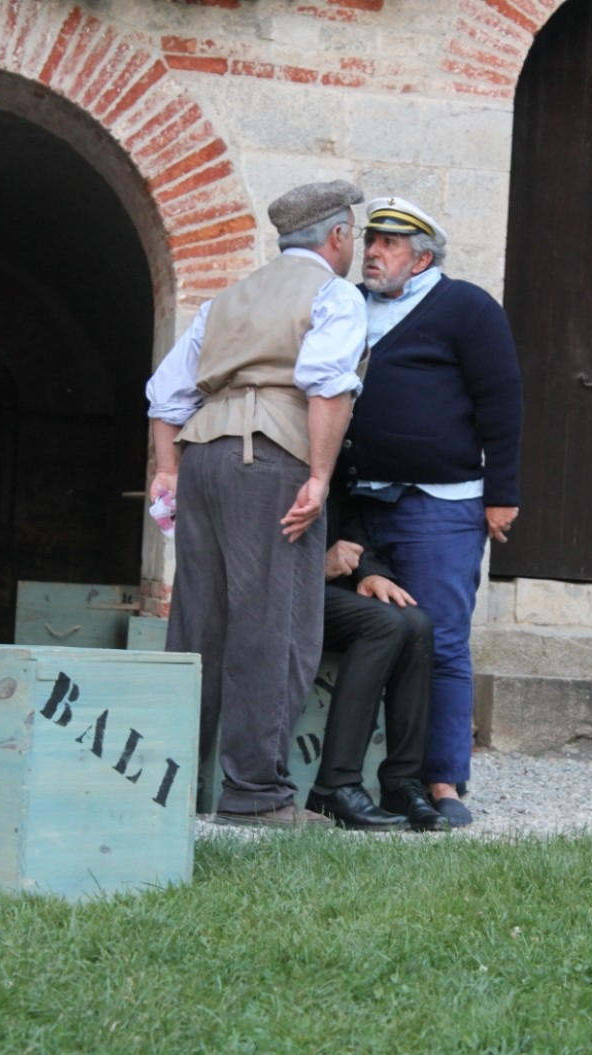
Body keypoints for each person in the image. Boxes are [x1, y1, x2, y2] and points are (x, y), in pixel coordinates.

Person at [146, 179, 368, 826]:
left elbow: (165, 392)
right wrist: (319, 478)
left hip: (203, 460)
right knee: (276, 625)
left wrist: (168, 469)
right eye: (353, 233)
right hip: (271, 462)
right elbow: (327, 385)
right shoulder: (334, 295)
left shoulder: (227, 299)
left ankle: (169, 787)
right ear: (337, 236)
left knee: (198, 626)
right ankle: (255, 794)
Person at [337, 196, 523, 828]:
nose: (372, 253)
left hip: (439, 506)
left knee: (440, 641)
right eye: (370, 241)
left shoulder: (466, 307)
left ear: (421, 259)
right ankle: (368, 779)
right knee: (378, 635)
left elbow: (501, 400)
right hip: (359, 501)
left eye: (388, 245)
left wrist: (502, 492)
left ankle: (442, 781)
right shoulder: (348, 306)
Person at [305, 483, 450, 832]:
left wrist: (368, 569)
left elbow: (350, 515)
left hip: (330, 586)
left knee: (417, 623)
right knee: (383, 624)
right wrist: (315, 563)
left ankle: (401, 783)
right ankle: (335, 785)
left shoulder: (332, 456)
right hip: (281, 588)